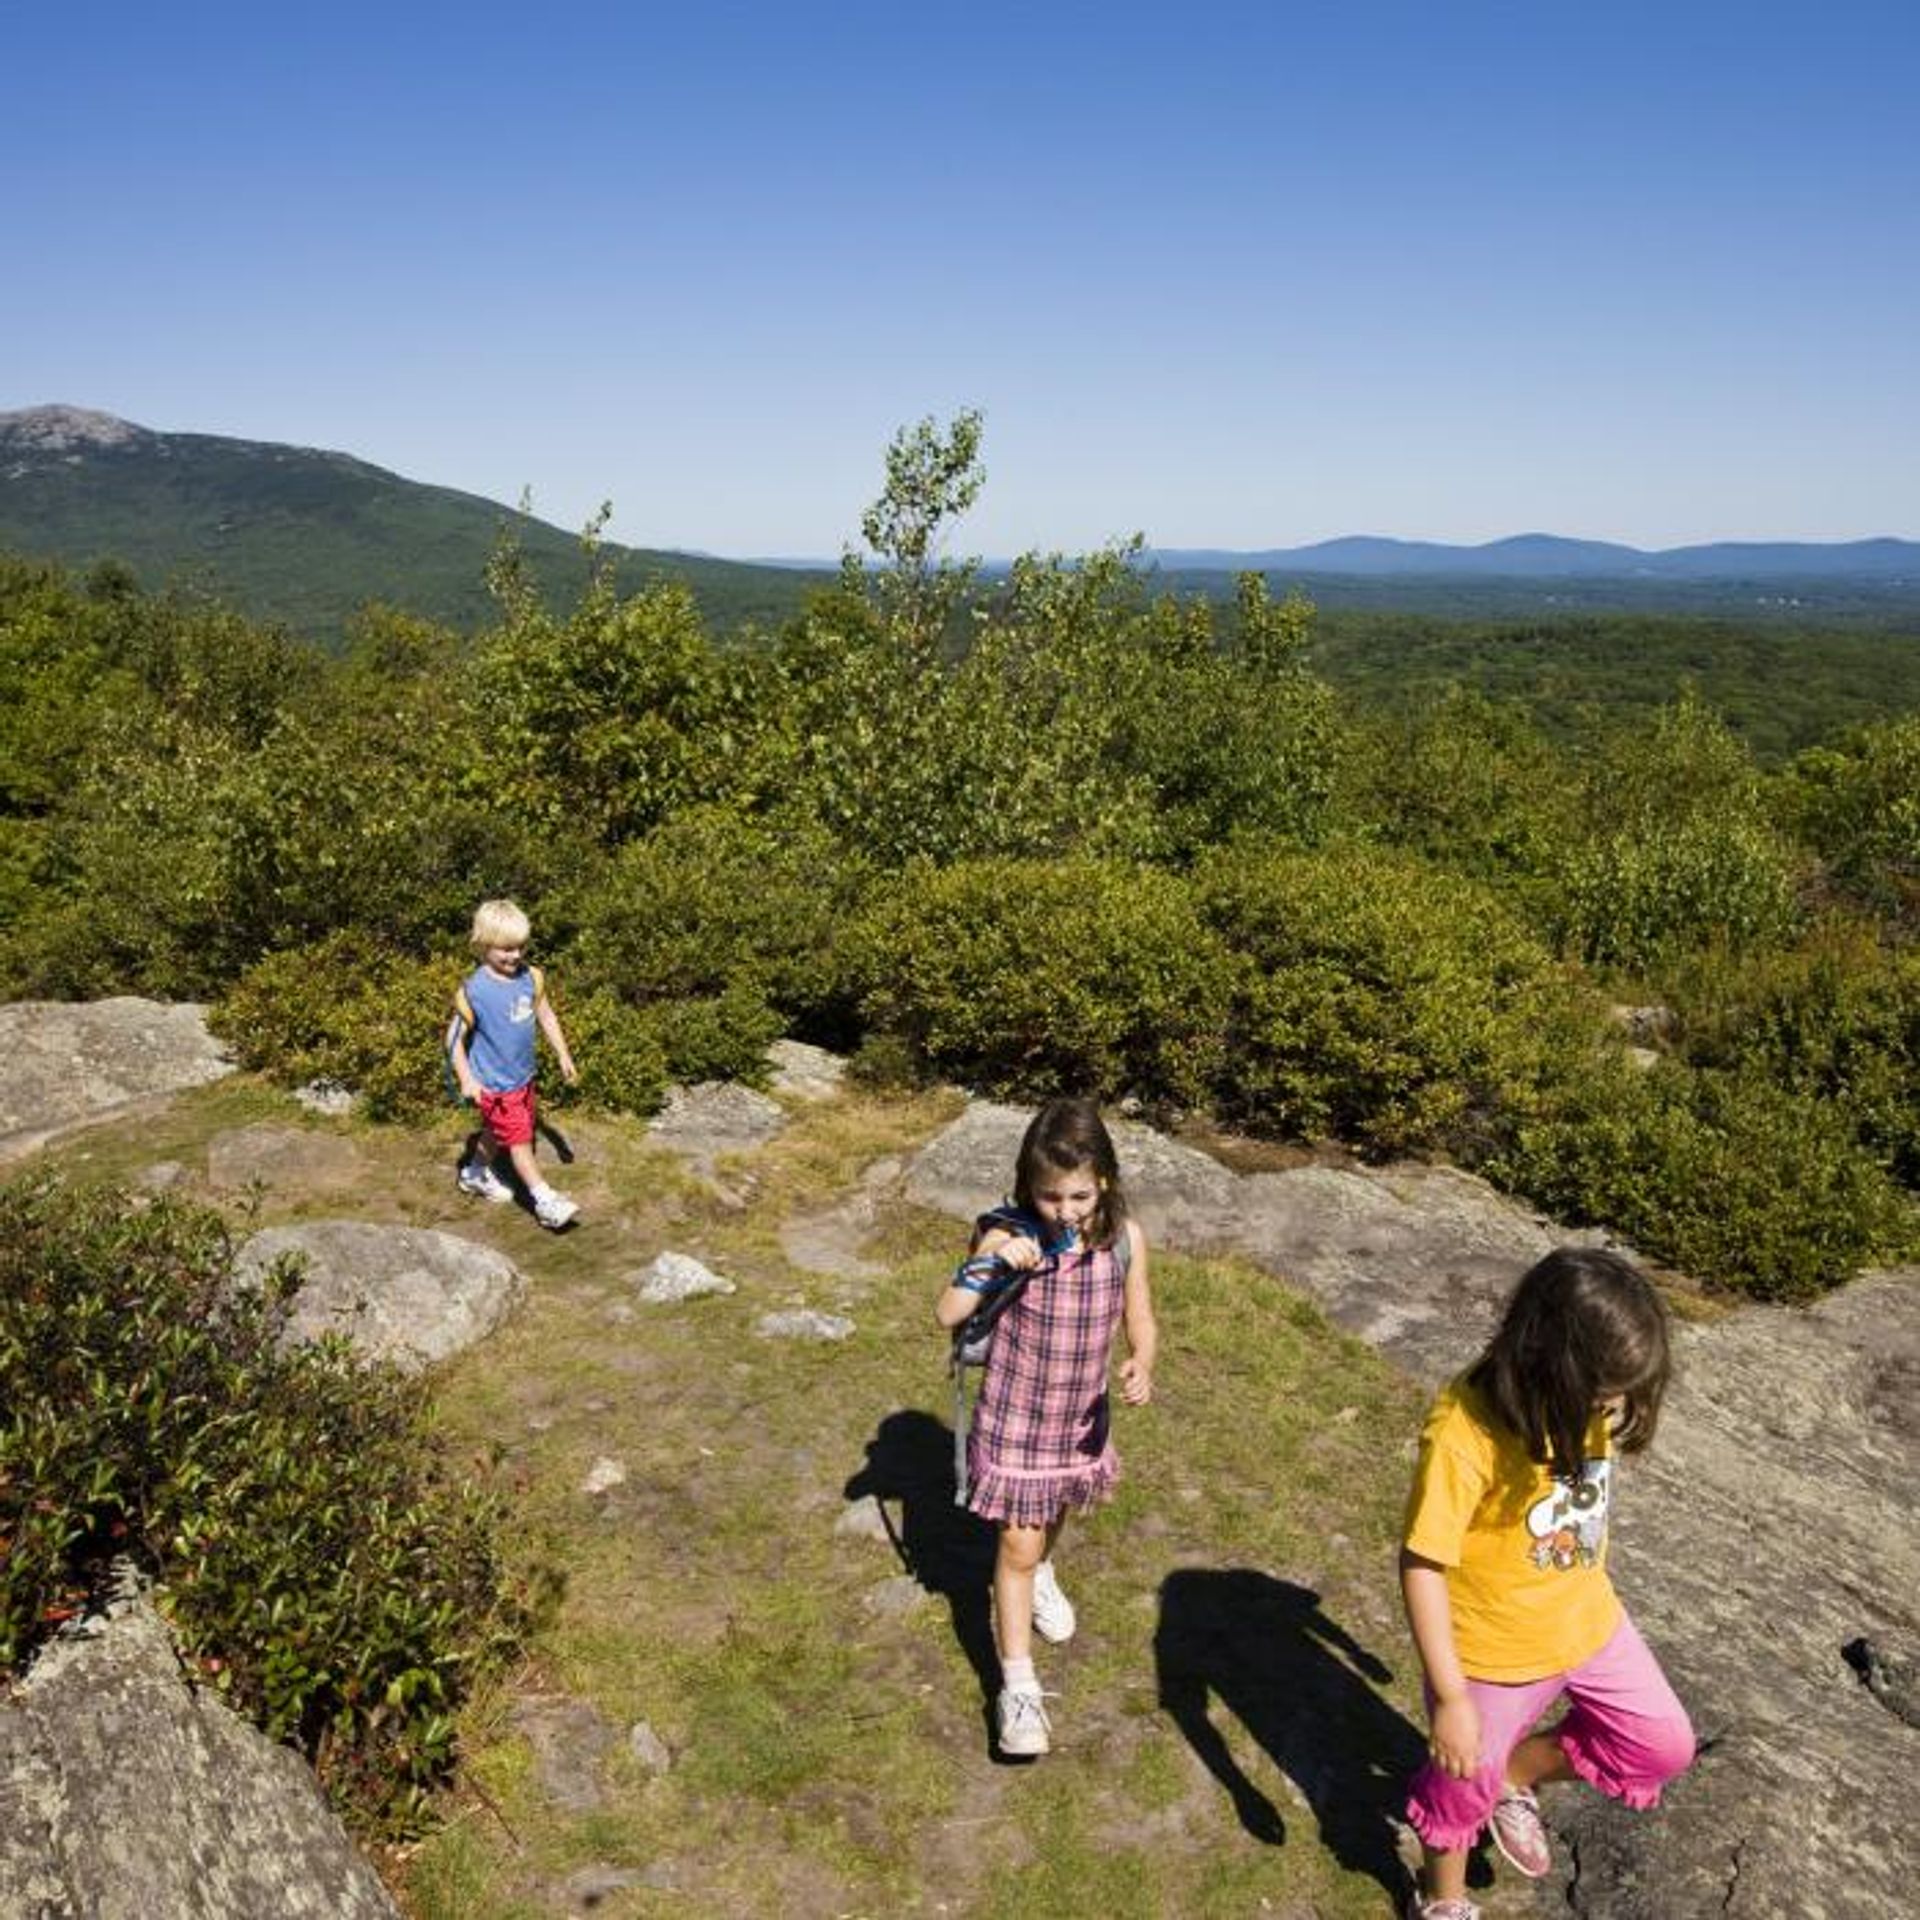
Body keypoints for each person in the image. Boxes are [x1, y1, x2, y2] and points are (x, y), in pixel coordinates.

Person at [1399, 1248, 1695, 1920]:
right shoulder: (1464, 1434)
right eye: (1602, 1394)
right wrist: (1450, 1698)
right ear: (1550, 1363)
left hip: (1585, 1621)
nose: (1613, 1408)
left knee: (1662, 1744)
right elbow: (1421, 1563)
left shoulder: (1588, 1394)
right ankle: (1442, 1900)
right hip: (1491, 1653)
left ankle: (1517, 1774)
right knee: (1458, 1785)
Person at [934, 1098, 1157, 1757]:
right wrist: (996, 1261)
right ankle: (1018, 1688)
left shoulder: (1124, 1240)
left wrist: (1142, 1361)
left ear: (1105, 1182)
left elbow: (1140, 1316)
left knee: (1049, 1523)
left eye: (1079, 1195)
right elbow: (947, 1312)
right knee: (1015, 1548)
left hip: (1078, 1418)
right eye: (1049, 1196)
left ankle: (1039, 1575)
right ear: (1028, 1186)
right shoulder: (1005, 1234)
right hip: (1015, 1417)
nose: (1064, 1210)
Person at [447, 898, 581, 1230]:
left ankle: (474, 1174)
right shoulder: (474, 991)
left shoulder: (531, 978)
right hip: (494, 1084)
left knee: (498, 1131)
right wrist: (467, 1080)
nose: (516, 955)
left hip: (523, 1077)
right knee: (520, 1143)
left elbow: (546, 1016)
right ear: (482, 945)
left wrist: (563, 1053)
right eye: (505, 949)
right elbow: (452, 1040)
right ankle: (546, 1201)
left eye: (520, 947)